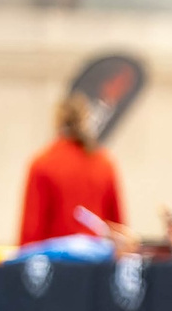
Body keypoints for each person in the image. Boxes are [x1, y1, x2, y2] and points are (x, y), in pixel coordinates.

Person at [18, 93, 122, 245]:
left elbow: (31, 230)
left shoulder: (42, 163)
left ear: (58, 122)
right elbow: (117, 228)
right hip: (98, 264)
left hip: (55, 264)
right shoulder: (104, 164)